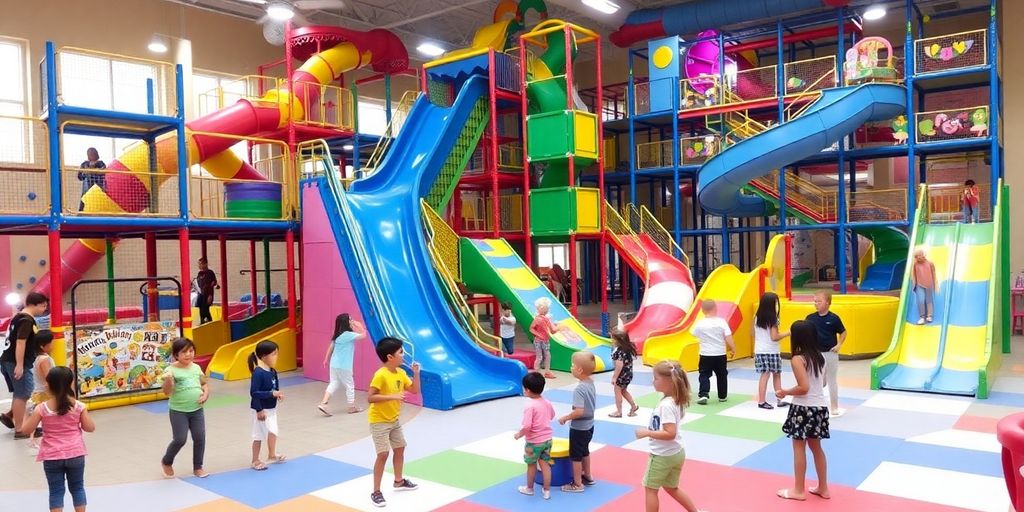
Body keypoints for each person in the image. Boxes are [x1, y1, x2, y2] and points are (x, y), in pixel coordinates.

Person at [19, 366, 95, 512]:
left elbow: (26, 430)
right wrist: (83, 411)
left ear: (52, 385)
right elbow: (90, 428)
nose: (45, 384)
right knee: (77, 487)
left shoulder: (42, 408)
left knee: (56, 491)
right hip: (75, 454)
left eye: (47, 382)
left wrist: (26, 415)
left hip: (52, 456)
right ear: (70, 384)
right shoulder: (78, 406)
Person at [635, 361, 701, 512]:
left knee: (650, 489)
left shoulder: (666, 405)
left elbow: (670, 433)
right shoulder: (675, 400)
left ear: (669, 381)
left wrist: (647, 432)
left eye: (656, 378)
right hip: (676, 453)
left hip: (662, 456)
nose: (653, 381)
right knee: (671, 488)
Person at [776, 320, 831, 501]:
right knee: (816, 448)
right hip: (820, 407)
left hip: (803, 408)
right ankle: (823, 487)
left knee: (798, 447)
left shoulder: (798, 359)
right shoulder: (820, 357)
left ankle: (798, 490)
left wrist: (785, 392)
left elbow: (803, 387)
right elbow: (821, 384)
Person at [368, 337, 421, 508]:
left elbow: (414, 390)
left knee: (400, 448)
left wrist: (416, 374)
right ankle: (376, 491)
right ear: (390, 357)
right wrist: (393, 396)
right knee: (383, 454)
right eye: (400, 352)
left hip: (394, 420)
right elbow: (370, 397)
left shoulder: (401, 373)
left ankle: (398, 481)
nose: (403, 354)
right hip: (379, 421)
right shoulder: (380, 375)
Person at [0, 292, 49, 437]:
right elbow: (21, 342)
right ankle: (20, 429)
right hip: (14, 361)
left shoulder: (18, 316)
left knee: (22, 393)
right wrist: (19, 364)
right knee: (22, 394)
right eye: (43, 306)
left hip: (9, 359)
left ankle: (12, 417)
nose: (44, 309)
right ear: (34, 304)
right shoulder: (26, 320)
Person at [160, 338, 210, 479]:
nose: (188, 354)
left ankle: (198, 467)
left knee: (200, 437)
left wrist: (205, 394)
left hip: (197, 409)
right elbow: (166, 391)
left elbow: (204, 384)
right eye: (184, 352)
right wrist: (169, 381)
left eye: (191, 351)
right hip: (178, 411)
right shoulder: (170, 370)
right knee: (180, 439)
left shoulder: (196, 368)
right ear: (176, 355)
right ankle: (167, 461)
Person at [557, 351, 597, 493]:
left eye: (573, 365)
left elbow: (579, 411)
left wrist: (566, 417)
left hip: (579, 428)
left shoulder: (579, 389)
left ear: (579, 370)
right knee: (585, 451)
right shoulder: (590, 383)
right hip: (589, 426)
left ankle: (577, 484)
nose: (571, 367)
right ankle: (588, 475)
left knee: (576, 456)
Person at [515, 371, 556, 500]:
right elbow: (552, 415)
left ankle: (529, 488)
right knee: (545, 464)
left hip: (533, 442)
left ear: (527, 390)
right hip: (548, 440)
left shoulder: (530, 405)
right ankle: (547, 490)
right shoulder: (547, 402)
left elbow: (527, 426)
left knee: (531, 465)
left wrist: (519, 434)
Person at [805, 291, 847, 417]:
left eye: (819, 301)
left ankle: (834, 406)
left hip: (830, 353)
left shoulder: (834, 318)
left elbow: (843, 332)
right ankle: (814, 403)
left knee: (832, 380)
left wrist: (839, 345)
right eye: (815, 301)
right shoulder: (810, 318)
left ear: (828, 303)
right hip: (816, 353)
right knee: (817, 380)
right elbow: (806, 333)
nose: (816, 304)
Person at [319, 313, 366, 416]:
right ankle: (351, 407)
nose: (351, 320)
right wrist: (359, 326)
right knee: (350, 385)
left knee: (334, 383)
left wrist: (326, 359)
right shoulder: (348, 335)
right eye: (350, 319)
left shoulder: (337, 335)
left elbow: (331, 347)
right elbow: (363, 335)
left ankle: (324, 403)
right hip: (344, 366)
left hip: (334, 364)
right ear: (346, 322)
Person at [249, 340, 285, 471]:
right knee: (258, 435)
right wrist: (259, 410)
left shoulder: (273, 371)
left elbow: (275, 387)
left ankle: (271, 454)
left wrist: (278, 394)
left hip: (272, 408)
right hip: (261, 409)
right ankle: (255, 460)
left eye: (276, 354)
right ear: (264, 356)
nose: (276, 357)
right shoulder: (258, 373)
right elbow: (254, 393)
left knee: (273, 431)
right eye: (273, 354)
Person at [691, 300, 735, 405]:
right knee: (722, 375)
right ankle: (722, 395)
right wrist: (733, 348)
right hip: (720, 353)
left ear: (703, 311)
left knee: (704, 374)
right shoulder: (722, 322)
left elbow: (694, 333)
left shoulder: (700, 323)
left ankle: (704, 394)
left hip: (705, 353)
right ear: (716, 309)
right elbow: (728, 336)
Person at [754, 292, 791, 410]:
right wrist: (788, 333)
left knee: (764, 375)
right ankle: (778, 399)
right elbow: (774, 337)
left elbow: (752, 333)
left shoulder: (756, 317)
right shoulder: (773, 318)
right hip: (771, 350)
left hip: (760, 349)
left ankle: (762, 400)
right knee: (776, 375)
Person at [28, 330, 55, 449]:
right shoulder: (44, 360)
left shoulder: (37, 358)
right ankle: (39, 441)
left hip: (38, 392)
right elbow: (48, 377)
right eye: (51, 342)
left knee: (38, 415)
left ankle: (34, 440)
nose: (53, 345)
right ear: (42, 346)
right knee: (46, 417)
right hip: (45, 393)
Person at [530, 297, 565, 379]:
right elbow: (531, 328)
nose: (547, 310)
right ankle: (537, 372)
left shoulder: (546, 319)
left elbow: (552, 330)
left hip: (545, 340)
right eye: (546, 308)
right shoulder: (539, 319)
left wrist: (557, 327)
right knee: (540, 357)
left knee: (546, 356)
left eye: (547, 308)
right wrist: (538, 334)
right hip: (539, 341)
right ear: (540, 308)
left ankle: (546, 372)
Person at [609, 329, 639, 418]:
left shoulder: (620, 351)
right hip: (628, 374)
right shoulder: (626, 349)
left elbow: (619, 365)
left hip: (622, 375)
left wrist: (614, 377)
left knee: (617, 391)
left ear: (619, 340)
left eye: (613, 339)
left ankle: (619, 411)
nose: (612, 341)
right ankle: (633, 406)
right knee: (623, 391)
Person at [911, 249, 938, 325]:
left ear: (923, 255)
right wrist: (914, 285)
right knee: (921, 300)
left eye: (919, 256)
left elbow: (933, 274)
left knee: (929, 300)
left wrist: (935, 284)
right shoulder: (915, 265)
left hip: (929, 284)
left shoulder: (930, 263)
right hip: (919, 284)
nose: (918, 258)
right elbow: (914, 275)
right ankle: (922, 317)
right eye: (916, 257)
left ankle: (929, 315)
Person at [78, 147, 106, 211]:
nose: (91, 156)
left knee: (99, 206)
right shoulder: (84, 164)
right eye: (89, 154)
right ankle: (80, 217)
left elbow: (103, 172)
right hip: (87, 189)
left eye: (92, 154)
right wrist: (86, 171)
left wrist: (92, 170)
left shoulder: (100, 163)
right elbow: (80, 177)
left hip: (98, 189)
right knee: (83, 205)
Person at [194, 258, 219, 325]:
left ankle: (209, 323)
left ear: (206, 264)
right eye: (199, 264)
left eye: (201, 264)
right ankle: (202, 322)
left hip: (207, 294)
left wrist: (210, 295)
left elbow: (213, 283)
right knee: (200, 309)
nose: (199, 266)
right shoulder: (199, 273)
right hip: (201, 294)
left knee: (206, 309)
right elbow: (198, 283)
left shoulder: (210, 273)